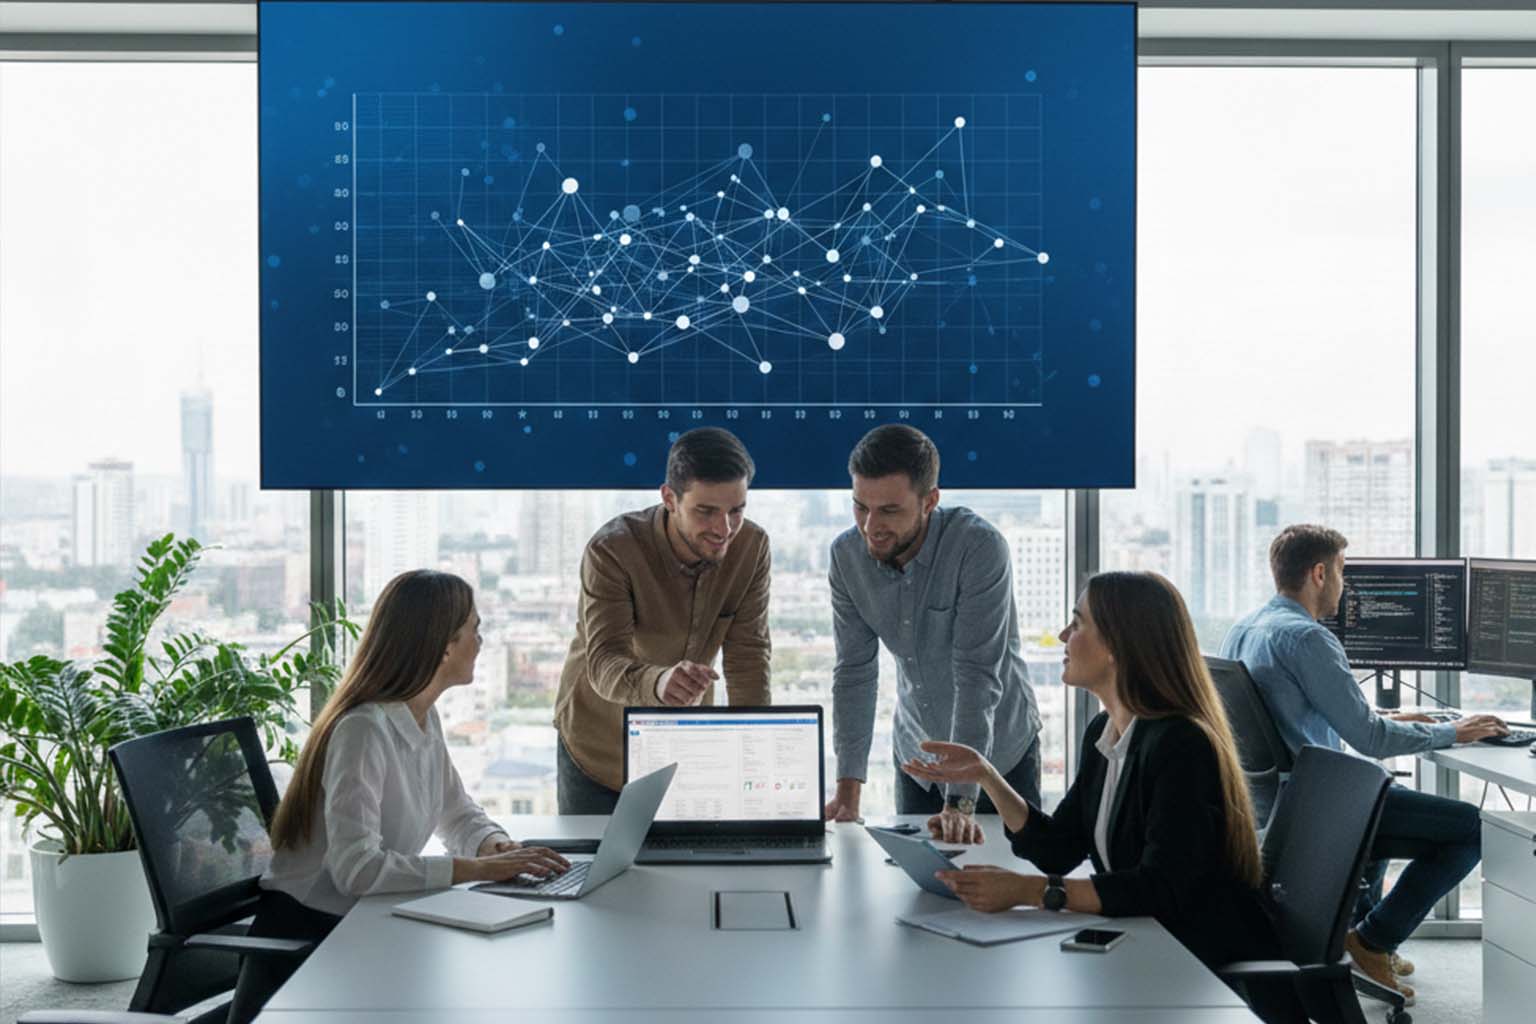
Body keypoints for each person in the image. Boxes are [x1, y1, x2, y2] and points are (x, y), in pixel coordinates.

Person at [233, 570, 571, 1023]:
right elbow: (356, 869)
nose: (481, 642)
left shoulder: (421, 718)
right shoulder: (363, 730)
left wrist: (496, 846)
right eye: (475, 629)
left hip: (363, 923)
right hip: (310, 944)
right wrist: (474, 869)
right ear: (443, 644)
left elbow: (457, 812)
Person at [904, 572, 1280, 975]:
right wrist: (987, 776)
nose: (1065, 635)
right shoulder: (1104, 733)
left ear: (1117, 645)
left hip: (1194, 962)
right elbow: (1060, 849)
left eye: (1078, 622)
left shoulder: (1180, 743)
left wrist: (1030, 892)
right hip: (1145, 944)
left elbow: (1161, 889)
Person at [1220, 524, 1507, 1004]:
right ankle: (1373, 940)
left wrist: (1399, 717)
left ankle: (1361, 937)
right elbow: (1370, 740)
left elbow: (1302, 716)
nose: (1344, 585)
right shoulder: (1307, 638)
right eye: (1341, 572)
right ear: (1318, 573)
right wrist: (1453, 731)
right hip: (1326, 807)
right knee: (1477, 829)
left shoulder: (1245, 629)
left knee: (1390, 804)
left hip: (1282, 806)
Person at [825, 425, 1041, 844]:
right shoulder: (846, 556)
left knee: (1010, 885)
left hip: (998, 757)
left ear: (930, 501)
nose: (871, 526)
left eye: (889, 510)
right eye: (860, 508)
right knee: (917, 890)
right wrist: (848, 791)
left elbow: (977, 678)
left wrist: (960, 802)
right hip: (918, 758)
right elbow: (854, 672)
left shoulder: (979, 547)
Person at [553, 427, 771, 813]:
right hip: (600, 747)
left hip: (683, 752)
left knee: (688, 870)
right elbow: (602, 663)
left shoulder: (751, 547)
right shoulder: (613, 549)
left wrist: (753, 761)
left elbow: (748, 658)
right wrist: (660, 682)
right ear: (669, 498)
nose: (724, 530)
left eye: (736, 510)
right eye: (706, 511)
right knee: (593, 870)